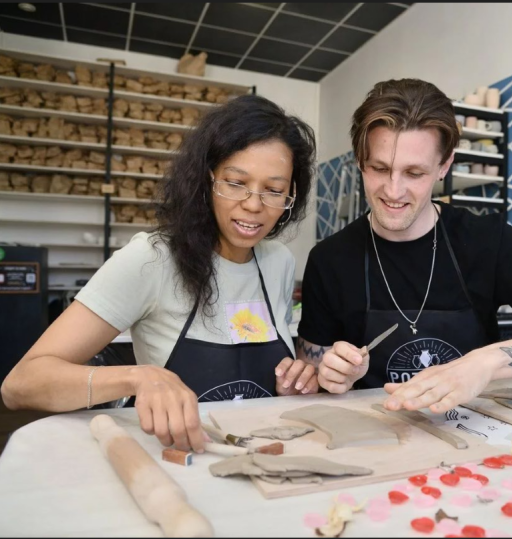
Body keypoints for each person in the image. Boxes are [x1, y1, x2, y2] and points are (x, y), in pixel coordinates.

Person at [1, 94, 319, 453]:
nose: (254, 204)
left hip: (256, 462)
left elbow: (252, 381)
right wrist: (137, 377)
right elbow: (20, 385)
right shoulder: (151, 259)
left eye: (274, 190)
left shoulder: (278, 262)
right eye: (235, 182)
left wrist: (288, 384)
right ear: (208, 177)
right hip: (172, 465)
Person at [297, 78, 512, 415]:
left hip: (478, 439)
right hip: (377, 439)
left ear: (444, 165)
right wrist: (333, 377)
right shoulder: (329, 259)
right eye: (380, 168)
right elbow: (310, 380)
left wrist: (484, 364)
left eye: (414, 173)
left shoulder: (486, 240)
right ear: (361, 161)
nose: (393, 190)